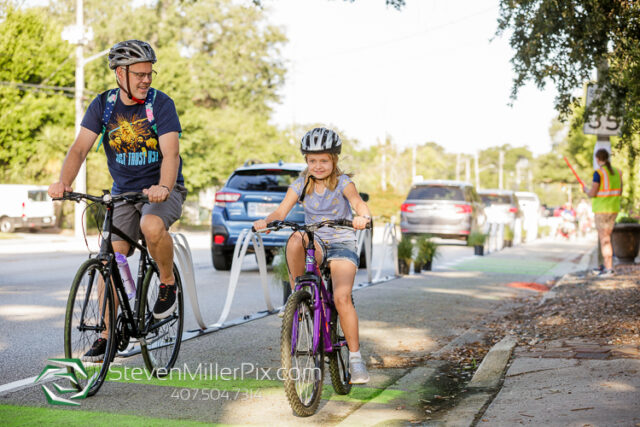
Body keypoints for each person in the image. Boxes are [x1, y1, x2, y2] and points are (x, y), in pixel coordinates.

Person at [48, 40, 187, 360]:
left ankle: (167, 282)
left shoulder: (160, 104)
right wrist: (63, 182)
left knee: (151, 224)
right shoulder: (104, 105)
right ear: (119, 74)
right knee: (109, 258)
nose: (146, 79)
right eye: (139, 74)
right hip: (124, 193)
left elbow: (171, 153)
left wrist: (164, 187)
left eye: (150, 73)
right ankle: (108, 333)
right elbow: (80, 148)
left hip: (162, 189)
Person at [253, 127, 372, 384]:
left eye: (324, 160)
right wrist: (267, 220)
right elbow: (281, 212)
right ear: (306, 160)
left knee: (341, 297)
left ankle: (356, 360)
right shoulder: (301, 183)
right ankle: (298, 296)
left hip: (341, 240)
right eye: (312, 160)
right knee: (296, 237)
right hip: (315, 239)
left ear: (334, 160)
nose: (318, 166)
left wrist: (363, 216)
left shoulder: (343, 183)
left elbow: (357, 202)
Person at [583, 149, 622, 277]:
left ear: (597, 158)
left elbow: (593, 193)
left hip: (601, 210)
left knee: (604, 240)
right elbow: (619, 191)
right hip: (613, 209)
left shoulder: (598, 173)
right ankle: (605, 267)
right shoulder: (617, 172)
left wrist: (586, 190)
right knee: (607, 239)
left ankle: (609, 269)